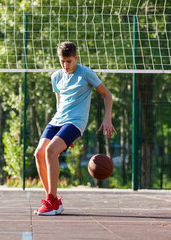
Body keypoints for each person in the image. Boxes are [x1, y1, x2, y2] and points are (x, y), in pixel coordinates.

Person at [33, 41, 117, 216]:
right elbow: (59, 102)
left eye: (69, 61)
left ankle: (51, 201)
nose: (65, 65)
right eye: (62, 61)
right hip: (58, 120)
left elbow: (107, 95)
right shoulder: (56, 77)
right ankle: (53, 200)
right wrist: (64, 138)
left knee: (50, 151)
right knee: (39, 153)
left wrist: (107, 119)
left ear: (76, 58)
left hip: (75, 122)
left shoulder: (86, 73)